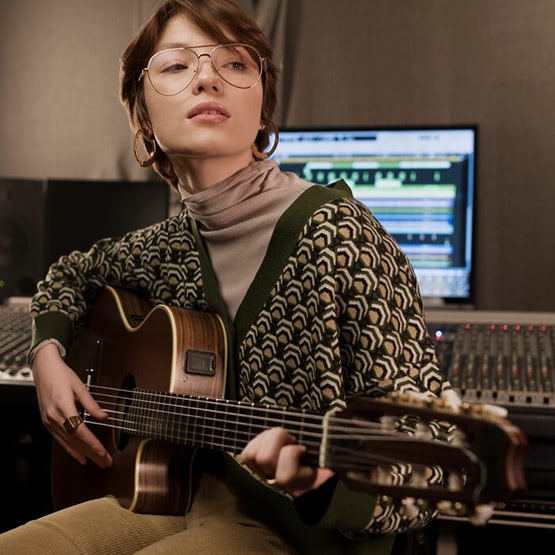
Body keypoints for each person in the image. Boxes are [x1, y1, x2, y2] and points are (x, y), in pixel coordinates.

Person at [0, 0, 457, 553]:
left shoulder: (342, 237)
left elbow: (434, 449)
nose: (208, 78)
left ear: (263, 110)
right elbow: (70, 276)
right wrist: (46, 356)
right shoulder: (166, 246)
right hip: (173, 498)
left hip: (302, 534)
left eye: (235, 64)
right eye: (176, 65)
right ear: (143, 117)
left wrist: (321, 480)